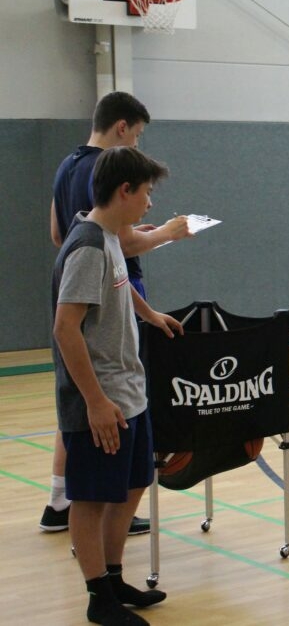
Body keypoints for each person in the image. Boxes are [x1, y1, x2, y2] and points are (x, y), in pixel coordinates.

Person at [41, 91, 190, 535]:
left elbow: (57, 233)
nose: (137, 145)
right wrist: (165, 234)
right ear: (122, 127)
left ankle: (60, 499)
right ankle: (98, 515)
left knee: (82, 410)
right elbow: (119, 243)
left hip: (106, 286)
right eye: (137, 135)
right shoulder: (109, 169)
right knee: (106, 403)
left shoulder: (67, 165)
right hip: (107, 297)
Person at [52, 146, 184, 626]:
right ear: (124, 190)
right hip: (100, 399)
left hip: (129, 390)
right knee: (90, 499)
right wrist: (95, 402)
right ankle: (97, 596)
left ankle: (112, 577)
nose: (150, 203)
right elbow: (66, 328)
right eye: (146, 193)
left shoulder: (108, 237)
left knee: (132, 484)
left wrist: (149, 314)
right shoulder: (88, 246)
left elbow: (119, 285)